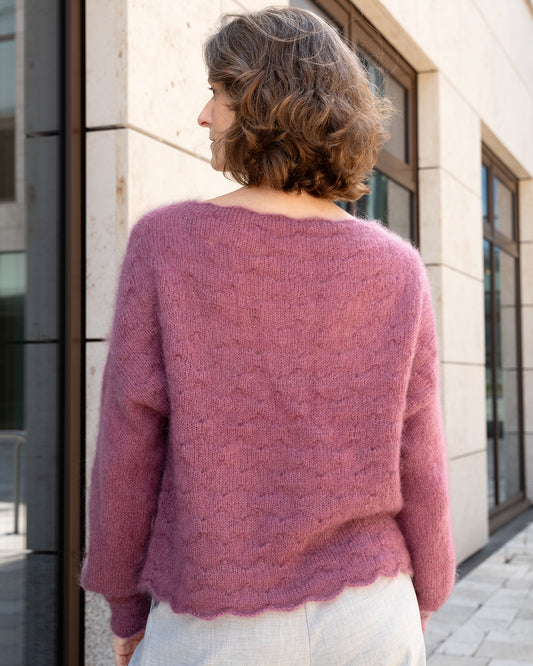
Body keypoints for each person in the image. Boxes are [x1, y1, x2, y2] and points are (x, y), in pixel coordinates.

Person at [81, 7, 456, 665]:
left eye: (217, 94)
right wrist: (423, 596)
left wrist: (124, 604)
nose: (203, 115)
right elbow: (419, 450)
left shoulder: (167, 245)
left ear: (261, 103)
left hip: (216, 620)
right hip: (371, 609)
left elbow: (129, 441)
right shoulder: (395, 265)